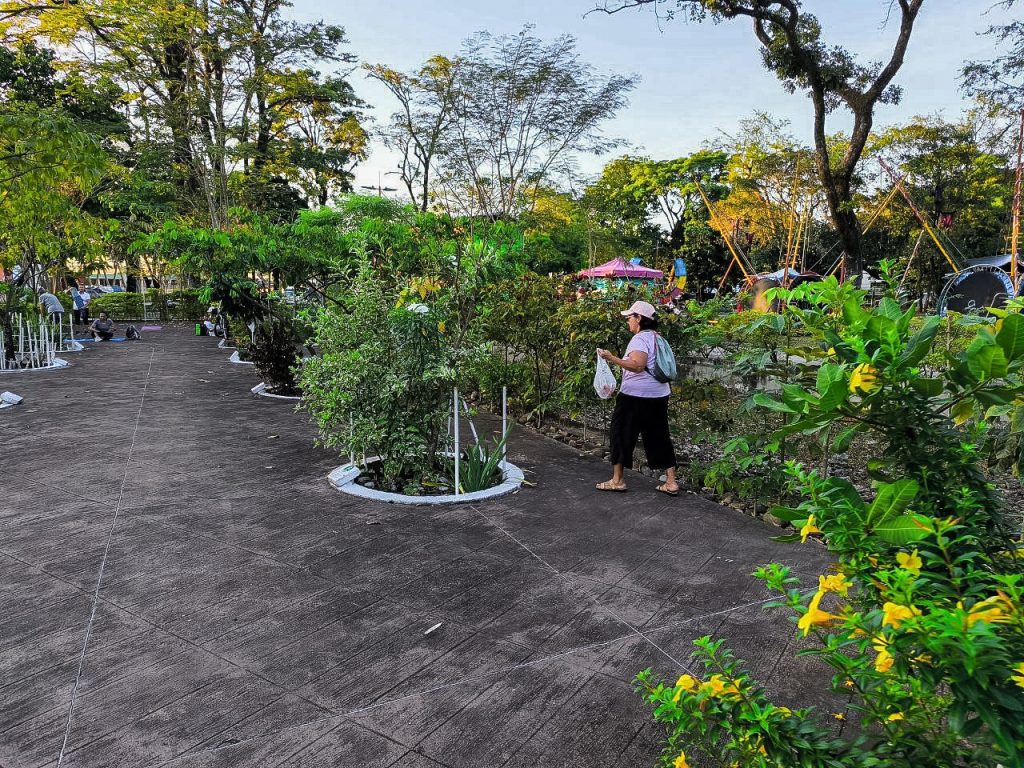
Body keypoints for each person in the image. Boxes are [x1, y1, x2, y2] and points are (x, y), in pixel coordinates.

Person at [596, 300, 679, 496]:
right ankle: (671, 482)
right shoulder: (658, 338)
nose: (628, 322)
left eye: (629, 318)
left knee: (621, 434)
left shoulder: (640, 339)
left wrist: (611, 357)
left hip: (635, 397)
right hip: (659, 395)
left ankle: (617, 480)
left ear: (639, 318)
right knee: (660, 436)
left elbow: (637, 365)